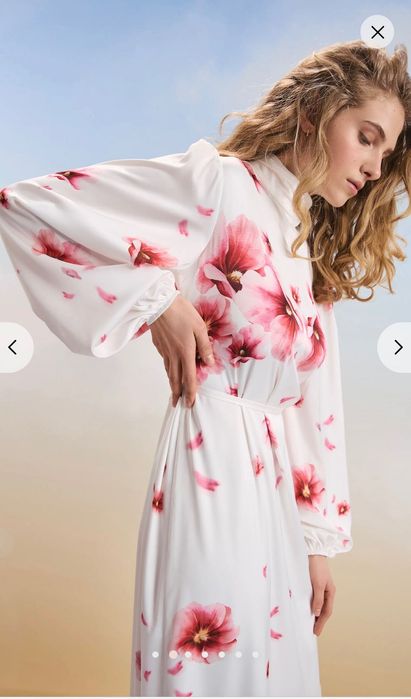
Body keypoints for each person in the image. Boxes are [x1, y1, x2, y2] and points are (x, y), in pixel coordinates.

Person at [0, 39, 410, 697]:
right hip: (209, 464)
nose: (371, 165)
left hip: (278, 498)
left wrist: (316, 543)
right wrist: (157, 300)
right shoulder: (218, 185)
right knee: (207, 670)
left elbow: (315, 406)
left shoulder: (309, 248)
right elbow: (31, 204)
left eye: (384, 154)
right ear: (314, 112)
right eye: (366, 137)